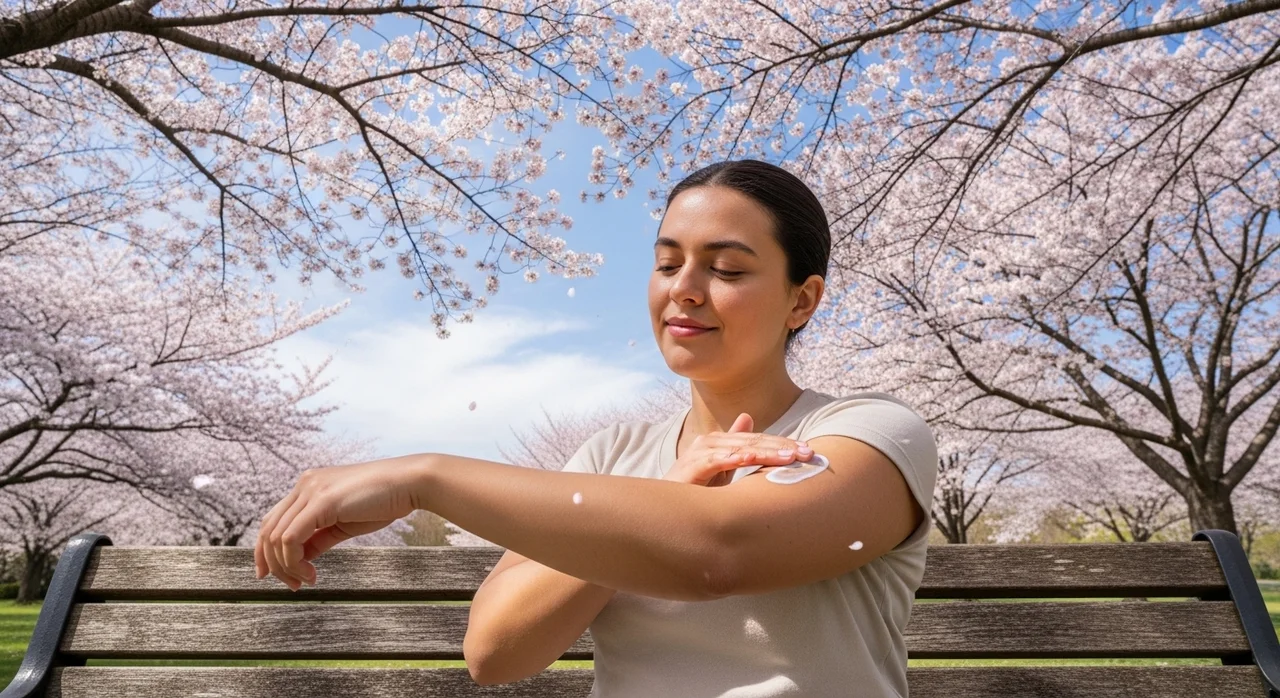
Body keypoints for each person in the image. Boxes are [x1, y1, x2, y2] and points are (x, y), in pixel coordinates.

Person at [254, 158, 939, 697]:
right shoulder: (611, 454)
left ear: (803, 299)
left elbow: (717, 554)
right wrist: (667, 492)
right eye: (668, 263)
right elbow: (496, 653)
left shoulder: (868, 433)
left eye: (726, 268)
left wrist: (423, 478)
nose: (685, 288)